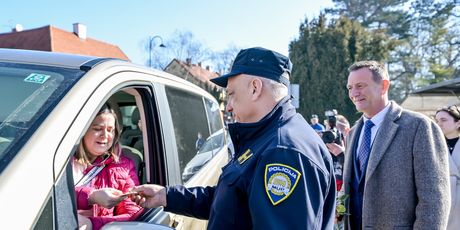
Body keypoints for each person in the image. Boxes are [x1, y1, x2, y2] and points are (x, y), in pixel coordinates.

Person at [131, 47, 336, 229]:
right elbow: (232, 203)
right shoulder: (267, 137)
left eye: (231, 94)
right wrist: (165, 196)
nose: (228, 105)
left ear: (255, 88)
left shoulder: (283, 151)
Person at [342, 60, 450, 229]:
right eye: (350, 87)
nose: (354, 93)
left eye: (360, 85)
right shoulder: (353, 133)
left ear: (384, 86)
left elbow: (434, 199)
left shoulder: (418, 126)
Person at [73, 103, 143, 230]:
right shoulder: (60, 160)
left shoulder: (124, 167)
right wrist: (91, 196)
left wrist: (91, 224)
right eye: (97, 129)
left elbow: (133, 215)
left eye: (110, 130)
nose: (105, 135)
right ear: (82, 130)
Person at [435, 105, 460, 230]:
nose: (439, 124)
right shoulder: (432, 145)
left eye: (443, 120)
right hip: (440, 198)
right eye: (437, 121)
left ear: (458, 123)